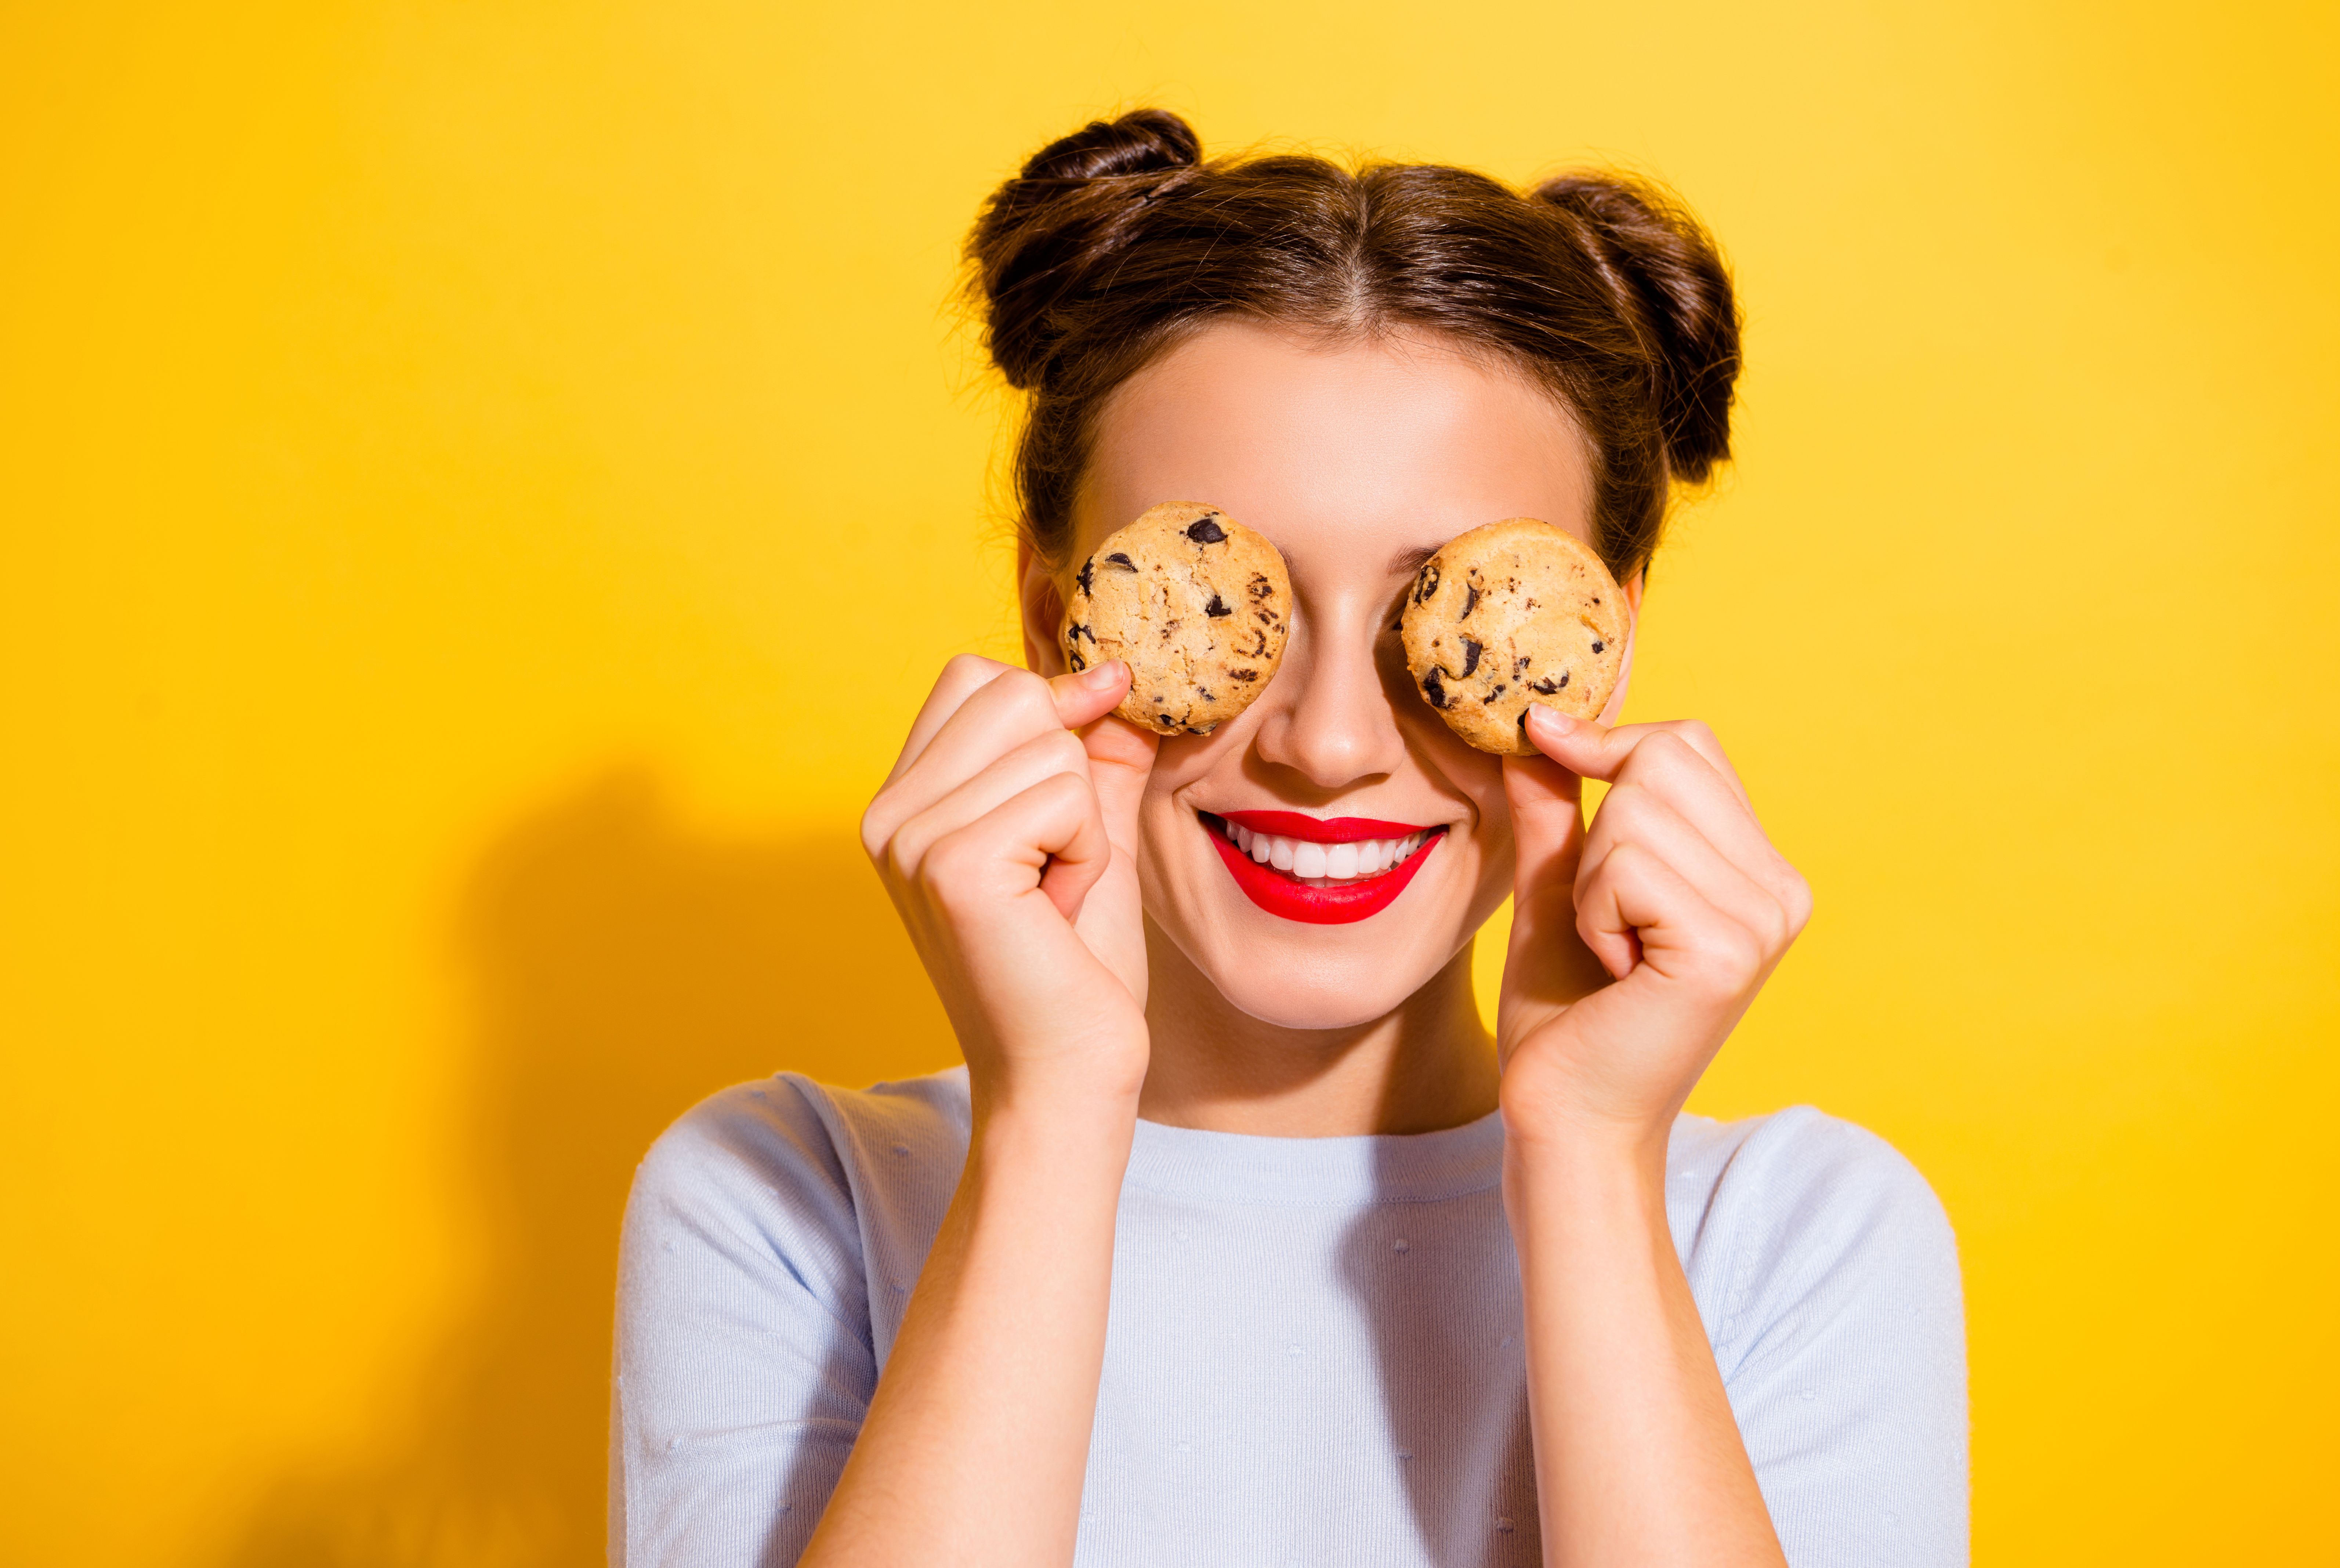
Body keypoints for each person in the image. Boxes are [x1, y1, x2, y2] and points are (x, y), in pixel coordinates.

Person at [609, 109, 1966, 1568]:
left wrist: (1583, 1160)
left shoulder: (1794, 1239)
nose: (1324, 746)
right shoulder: (784, 1205)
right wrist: (1053, 1114)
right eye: (1220, 597)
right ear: (1050, 610)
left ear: (1602, 640)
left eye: (1436, 614)